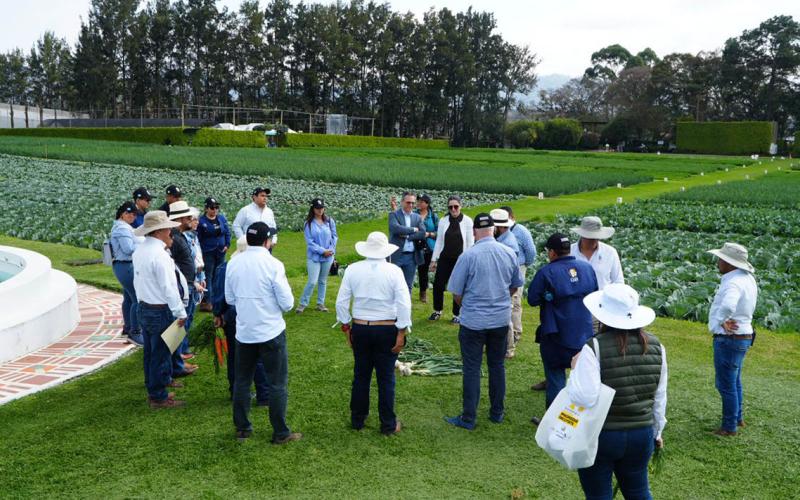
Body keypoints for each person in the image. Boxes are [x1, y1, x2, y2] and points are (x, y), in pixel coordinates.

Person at [567, 283, 668, 500]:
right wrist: (657, 431)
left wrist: (575, 370)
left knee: (598, 494)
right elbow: (659, 395)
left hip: (602, 435)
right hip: (641, 434)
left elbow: (584, 396)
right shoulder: (657, 346)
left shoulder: (594, 347)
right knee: (638, 491)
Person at [444, 213, 523, 430]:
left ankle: (469, 417)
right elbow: (515, 286)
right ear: (494, 229)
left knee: (471, 368)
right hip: (499, 320)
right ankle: (497, 412)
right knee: (497, 366)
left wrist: (470, 305)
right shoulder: (508, 253)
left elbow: (456, 293)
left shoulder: (468, 256)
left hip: (473, 322)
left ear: (474, 232)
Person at [225, 222, 301, 444]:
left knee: (242, 381)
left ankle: (242, 427)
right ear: (268, 241)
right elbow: (287, 303)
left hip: (245, 332)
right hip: (270, 331)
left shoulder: (234, 263)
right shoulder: (273, 264)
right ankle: (280, 432)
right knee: (277, 382)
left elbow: (230, 299)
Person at [336, 231, 411, 435]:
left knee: (361, 375)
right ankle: (388, 424)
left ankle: (358, 419)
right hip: (387, 328)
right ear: (385, 250)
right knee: (386, 377)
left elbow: (341, 302)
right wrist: (402, 331)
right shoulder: (394, 271)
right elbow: (404, 303)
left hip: (361, 327)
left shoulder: (352, 269)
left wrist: (346, 327)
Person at [528, 233, 598, 422]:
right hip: (584, 334)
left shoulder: (546, 272)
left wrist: (548, 296)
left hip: (556, 334)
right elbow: (595, 295)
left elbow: (532, 299)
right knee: (583, 379)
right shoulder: (587, 268)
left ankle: (553, 421)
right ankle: (581, 420)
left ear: (551, 252)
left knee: (555, 377)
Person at [132, 211, 188, 409]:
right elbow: (169, 288)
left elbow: (137, 282)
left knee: (151, 352)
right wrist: (180, 312)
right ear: (159, 231)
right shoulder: (160, 255)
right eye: (167, 228)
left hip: (145, 307)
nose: (170, 230)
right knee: (160, 354)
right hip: (159, 309)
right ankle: (158, 396)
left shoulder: (139, 251)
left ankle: (155, 387)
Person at [707, 242, 758, 437]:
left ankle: (729, 427)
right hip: (744, 334)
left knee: (725, 384)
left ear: (730, 263)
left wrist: (719, 322)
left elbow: (728, 305)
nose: (718, 262)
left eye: (721, 259)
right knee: (734, 380)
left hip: (730, 338)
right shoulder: (747, 278)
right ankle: (737, 418)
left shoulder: (733, 282)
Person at [212, 236, 270, 406]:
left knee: (236, 357)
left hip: (233, 317)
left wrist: (218, 314)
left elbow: (220, 296)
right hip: (255, 315)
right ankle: (264, 394)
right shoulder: (260, 266)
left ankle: (236, 392)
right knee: (258, 355)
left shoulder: (227, 267)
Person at [167, 201, 200, 377]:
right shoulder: (174, 237)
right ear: (180, 219)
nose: (191, 219)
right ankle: (177, 365)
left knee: (182, 326)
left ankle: (178, 361)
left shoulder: (179, 235)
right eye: (188, 217)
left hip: (188, 284)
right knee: (178, 327)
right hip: (182, 287)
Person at [429, 196, 474, 323]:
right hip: (444, 258)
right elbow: (439, 242)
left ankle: (457, 314)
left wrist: (469, 260)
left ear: (460, 206)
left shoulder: (468, 221)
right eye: (450, 207)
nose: (453, 209)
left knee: (458, 287)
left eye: (456, 206)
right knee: (438, 284)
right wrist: (434, 260)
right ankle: (437, 310)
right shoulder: (443, 221)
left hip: (460, 260)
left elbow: (470, 242)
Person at [109, 201, 144, 346]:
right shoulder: (122, 229)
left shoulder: (123, 227)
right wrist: (143, 243)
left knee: (129, 298)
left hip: (124, 265)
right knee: (136, 298)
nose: (132, 216)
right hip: (126, 265)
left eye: (134, 214)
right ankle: (135, 332)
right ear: (122, 214)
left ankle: (128, 328)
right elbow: (128, 249)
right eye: (128, 213)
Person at [502, 206, 536, 353]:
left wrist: (524, 265)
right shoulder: (500, 232)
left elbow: (531, 251)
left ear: (512, 217)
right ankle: (512, 333)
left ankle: (516, 332)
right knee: (510, 302)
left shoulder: (521, 231)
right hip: (505, 269)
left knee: (515, 301)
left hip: (519, 266)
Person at [491, 208, 522, 358]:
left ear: (499, 227)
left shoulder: (508, 243)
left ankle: (509, 349)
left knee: (506, 318)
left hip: (504, 285)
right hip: (501, 284)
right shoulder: (504, 239)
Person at [297, 198, 338, 313]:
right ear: (313, 209)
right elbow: (310, 242)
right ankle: (302, 303)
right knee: (312, 281)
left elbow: (334, 236)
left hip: (328, 256)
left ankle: (320, 303)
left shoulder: (330, 221)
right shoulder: (308, 224)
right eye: (317, 208)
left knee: (323, 280)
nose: (320, 210)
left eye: (322, 208)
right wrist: (322, 251)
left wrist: (330, 250)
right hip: (314, 257)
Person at [570, 216, 624, 291]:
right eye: (590, 237)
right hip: (576, 300)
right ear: (582, 235)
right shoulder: (569, 252)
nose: (593, 240)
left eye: (596, 237)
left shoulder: (610, 252)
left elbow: (618, 282)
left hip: (603, 300)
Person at [388, 192, 426, 294]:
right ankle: (391, 308)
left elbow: (422, 233)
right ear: (402, 202)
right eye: (408, 202)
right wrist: (413, 229)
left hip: (411, 257)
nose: (411, 205)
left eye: (413, 203)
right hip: (396, 255)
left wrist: (408, 237)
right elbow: (395, 229)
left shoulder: (417, 217)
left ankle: (406, 308)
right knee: (392, 284)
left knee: (408, 285)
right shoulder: (394, 215)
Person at [197, 196, 231, 312]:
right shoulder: (201, 222)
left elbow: (227, 232)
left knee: (219, 274)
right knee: (209, 276)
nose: (215, 210)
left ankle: (218, 298)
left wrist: (227, 244)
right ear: (206, 208)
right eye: (212, 208)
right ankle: (208, 301)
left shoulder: (221, 218)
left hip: (221, 251)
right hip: (208, 252)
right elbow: (198, 239)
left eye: (217, 207)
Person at [415, 194, 438, 304]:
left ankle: (426, 292)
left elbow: (439, 233)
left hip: (429, 246)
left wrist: (429, 234)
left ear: (427, 204)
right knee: (419, 269)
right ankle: (418, 292)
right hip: (416, 245)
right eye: (418, 201)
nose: (418, 203)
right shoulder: (413, 214)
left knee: (426, 270)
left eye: (421, 202)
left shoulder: (433, 216)